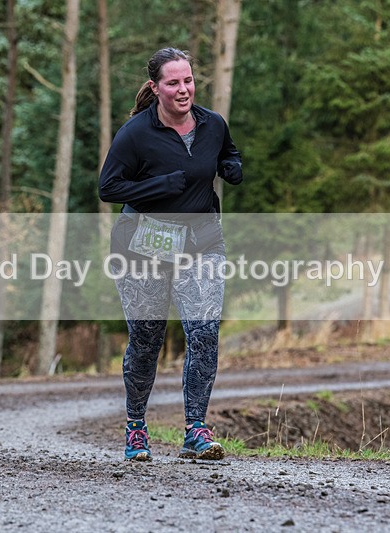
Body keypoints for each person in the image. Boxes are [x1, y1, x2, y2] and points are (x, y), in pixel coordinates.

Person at [99, 47, 243, 461]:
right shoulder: (136, 134)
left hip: (202, 241)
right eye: (173, 83)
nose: (184, 90)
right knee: (147, 340)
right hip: (144, 243)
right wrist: (158, 187)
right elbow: (109, 189)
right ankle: (136, 429)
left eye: (189, 80)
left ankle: (195, 428)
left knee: (204, 330)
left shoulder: (212, 124)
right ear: (155, 87)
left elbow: (227, 152)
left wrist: (232, 167)